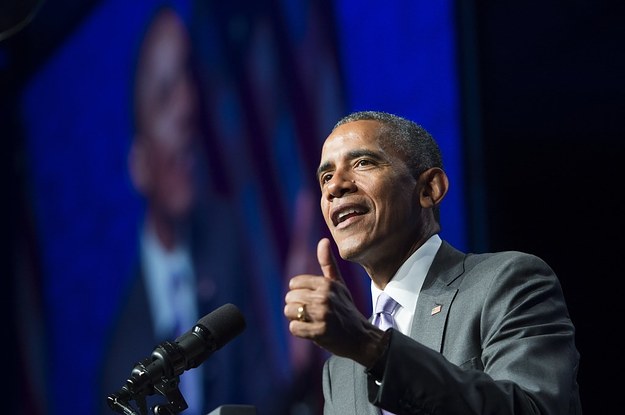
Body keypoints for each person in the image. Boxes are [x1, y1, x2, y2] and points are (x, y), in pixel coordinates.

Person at [284, 111, 582, 414]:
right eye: (326, 177)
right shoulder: (339, 370)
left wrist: (372, 348)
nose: (335, 187)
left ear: (429, 189)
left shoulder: (508, 283)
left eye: (363, 163)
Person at [98, 6, 277, 415]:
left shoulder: (227, 243)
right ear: (139, 164)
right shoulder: (119, 365)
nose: (187, 106)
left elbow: (263, 397)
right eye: (164, 95)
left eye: (188, 80)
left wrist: (302, 362)